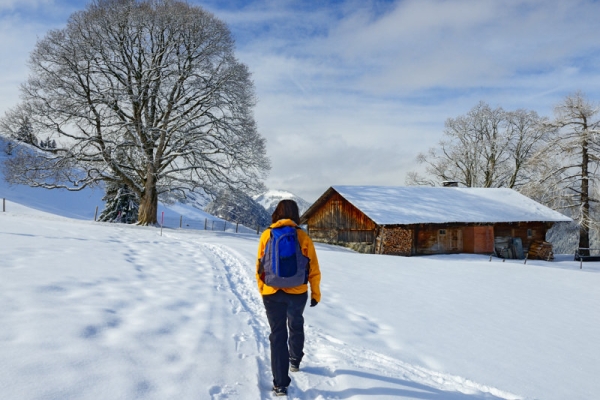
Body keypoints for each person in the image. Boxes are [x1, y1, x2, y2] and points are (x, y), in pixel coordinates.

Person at [256, 199, 321, 397]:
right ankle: (295, 360)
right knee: (296, 323)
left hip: (272, 292)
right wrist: (315, 293)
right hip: (298, 291)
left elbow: (259, 267)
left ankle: (280, 384)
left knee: (277, 335)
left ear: (276, 213)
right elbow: (314, 268)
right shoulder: (302, 236)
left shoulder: (267, 234)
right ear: (296, 214)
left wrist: (263, 289)